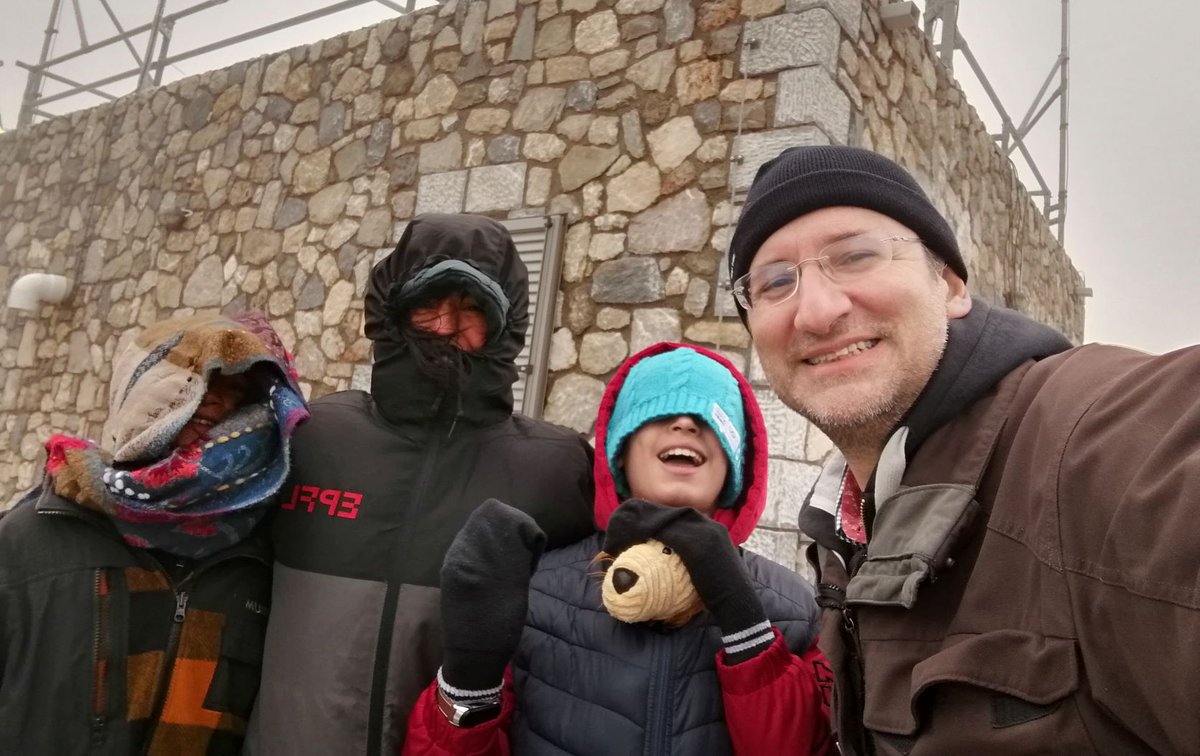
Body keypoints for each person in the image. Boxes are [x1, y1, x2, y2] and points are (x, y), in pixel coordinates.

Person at [725, 144, 1200, 754]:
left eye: (857, 255)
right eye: (775, 281)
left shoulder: (1089, 436)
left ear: (949, 285)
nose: (816, 311)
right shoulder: (842, 526)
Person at [246, 213, 595, 756]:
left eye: (473, 308)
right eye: (426, 303)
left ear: (507, 327)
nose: (445, 326)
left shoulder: (556, 471)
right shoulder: (311, 437)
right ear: (393, 312)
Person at [404, 342, 836, 756]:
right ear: (620, 454)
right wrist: (467, 680)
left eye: (709, 419)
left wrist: (747, 624)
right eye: (659, 410)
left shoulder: (792, 606)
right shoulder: (536, 589)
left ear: (735, 466)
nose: (686, 424)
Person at [0, 311, 309, 754]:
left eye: (236, 393)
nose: (216, 402)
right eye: (200, 381)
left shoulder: (260, 557)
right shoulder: (31, 538)